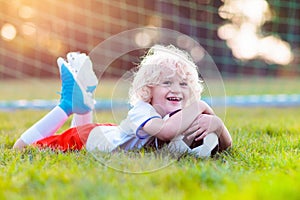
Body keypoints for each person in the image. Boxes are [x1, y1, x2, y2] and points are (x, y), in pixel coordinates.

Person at [13, 44, 232, 158]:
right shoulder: (142, 111)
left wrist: (218, 126)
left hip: (107, 134)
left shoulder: (177, 116)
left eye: (184, 84)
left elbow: (226, 147)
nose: (177, 89)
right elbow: (165, 132)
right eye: (167, 83)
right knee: (22, 148)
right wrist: (203, 106)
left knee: (80, 131)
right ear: (149, 90)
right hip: (91, 139)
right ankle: (67, 105)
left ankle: (82, 105)